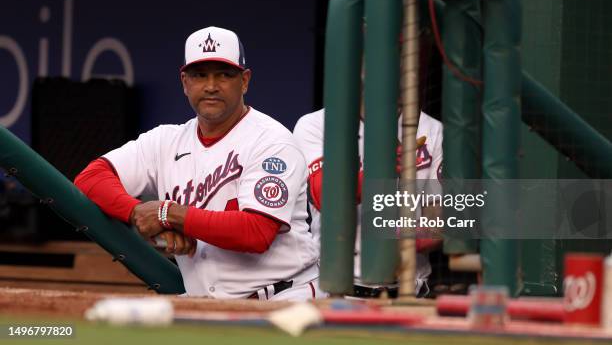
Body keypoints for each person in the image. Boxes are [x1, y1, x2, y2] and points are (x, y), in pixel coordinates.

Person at [75, 26, 321, 300]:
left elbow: (256, 232)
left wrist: (170, 214)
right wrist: (138, 213)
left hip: (284, 297)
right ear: (184, 82)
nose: (211, 86)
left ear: (245, 81)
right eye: (199, 75)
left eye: (224, 75)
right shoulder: (165, 140)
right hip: (211, 303)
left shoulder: (272, 140)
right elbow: (91, 178)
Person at [293, 106, 443, 298]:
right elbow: (325, 196)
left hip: (408, 292)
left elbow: (440, 223)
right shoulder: (316, 123)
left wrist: (397, 237)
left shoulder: (433, 129)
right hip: (336, 290)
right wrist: (379, 170)